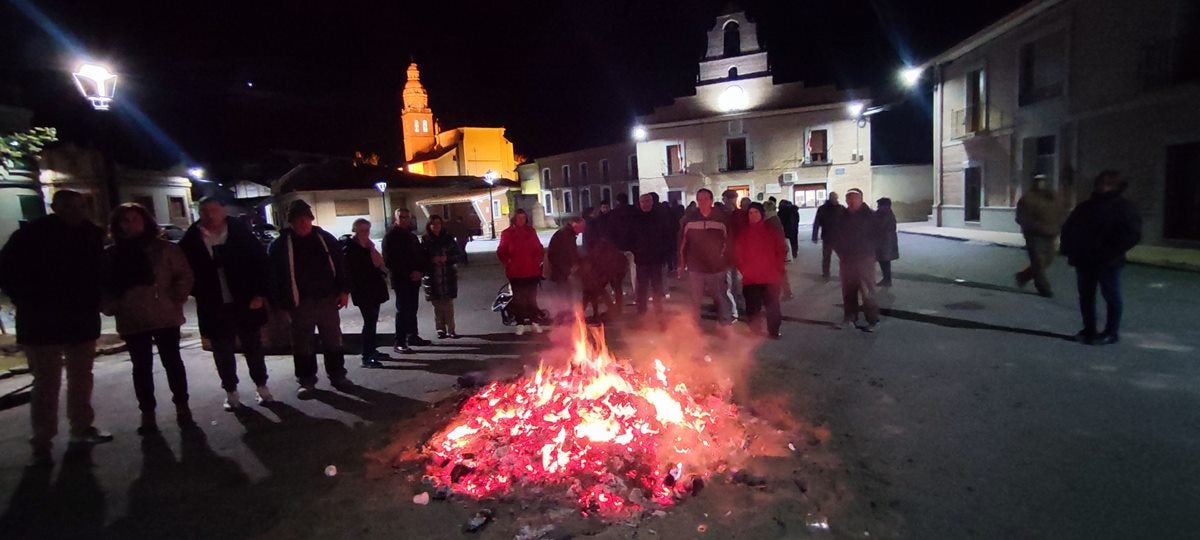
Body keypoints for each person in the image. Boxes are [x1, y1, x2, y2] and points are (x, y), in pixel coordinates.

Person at [0, 190, 112, 464]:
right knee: (47, 383)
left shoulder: (91, 234)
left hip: (80, 318)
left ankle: (81, 428)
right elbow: (6, 271)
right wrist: (25, 300)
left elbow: (100, 273)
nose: (75, 211)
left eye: (79, 206)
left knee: (81, 378)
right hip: (42, 321)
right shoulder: (30, 235)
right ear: (55, 207)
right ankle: (42, 439)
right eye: (68, 206)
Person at [102, 202, 195, 435]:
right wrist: (112, 305)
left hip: (164, 315)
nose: (130, 225)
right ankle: (147, 413)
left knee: (172, 362)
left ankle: (182, 406)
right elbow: (103, 286)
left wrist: (174, 297)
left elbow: (183, 275)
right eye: (125, 220)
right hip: (132, 318)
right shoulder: (112, 254)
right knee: (141, 367)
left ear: (145, 221)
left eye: (135, 219)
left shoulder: (163, 249)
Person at [180, 197, 273, 411]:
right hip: (214, 305)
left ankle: (262, 386)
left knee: (253, 348)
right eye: (204, 211)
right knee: (222, 352)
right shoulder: (192, 239)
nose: (209, 215)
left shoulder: (240, 233)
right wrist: (198, 289)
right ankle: (231, 391)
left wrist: (260, 294)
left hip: (245, 302)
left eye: (213, 210)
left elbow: (261, 264)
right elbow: (184, 272)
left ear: (223, 211)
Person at [268, 200, 352, 398]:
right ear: (291, 222)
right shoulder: (280, 246)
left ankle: (338, 374)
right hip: (299, 303)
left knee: (333, 339)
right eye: (298, 220)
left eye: (306, 219)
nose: (302, 224)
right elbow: (273, 277)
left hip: (326, 300)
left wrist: (344, 290)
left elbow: (341, 266)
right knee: (302, 343)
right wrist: (279, 304)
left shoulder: (325, 239)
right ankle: (306, 380)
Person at [1060, 171, 1142, 345]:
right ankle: (1089, 330)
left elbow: (1132, 234)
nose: (1102, 185)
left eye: (1108, 183)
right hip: (1084, 261)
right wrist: (1069, 250)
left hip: (1108, 262)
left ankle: (1111, 333)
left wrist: (1109, 252)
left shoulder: (1124, 208)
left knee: (1111, 296)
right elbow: (1069, 228)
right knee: (1086, 296)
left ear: (1116, 186)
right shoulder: (1085, 206)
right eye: (1100, 182)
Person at [679, 188, 734, 325]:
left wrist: (725, 260)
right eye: (700, 199)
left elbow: (729, 242)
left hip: (716, 268)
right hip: (695, 267)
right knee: (695, 299)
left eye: (706, 199)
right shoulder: (689, 219)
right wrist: (681, 263)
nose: (702, 202)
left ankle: (725, 324)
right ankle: (694, 327)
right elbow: (682, 243)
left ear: (711, 201)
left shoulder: (722, 219)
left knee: (720, 297)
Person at [342, 218, 389, 366]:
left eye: (367, 230)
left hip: (374, 288)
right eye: (362, 230)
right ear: (355, 230)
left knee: (372, 321)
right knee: (369, 322)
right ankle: (367, 355)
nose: (365, 233)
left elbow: (379, 262)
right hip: (363, 290)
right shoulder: (350, 248)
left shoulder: (368, 245)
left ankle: (372, 350)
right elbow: (358, 270)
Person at [736, 203, 787, 338]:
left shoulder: (771, 232)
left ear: (761, 214)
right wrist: (744, 269)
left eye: (756, 213)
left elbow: (781, 250)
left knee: (773, 306)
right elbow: (738, 253)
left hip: (770, 278)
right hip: (751, 279)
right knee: (753, 307)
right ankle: (755, 330)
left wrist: (778, 268)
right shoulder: (744, 233)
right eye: (750, 213)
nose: (753, 216)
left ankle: (774, 331)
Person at [383, 208, 431, 352]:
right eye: (401, 217)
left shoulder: (411, 236)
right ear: (396, 218)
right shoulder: (390, 236)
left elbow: (420, 256)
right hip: (402, 279)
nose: (404, 219)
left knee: (412, 308)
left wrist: (420, 271)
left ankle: (413, 335)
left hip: (414, 279)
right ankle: (400, 341)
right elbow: (390, 260)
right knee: (402, 310)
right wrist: (410, 272)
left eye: (407, 217)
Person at [833, 189, 880, 331]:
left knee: (867, 291)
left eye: (854, 199)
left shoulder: (870, 216)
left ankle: (872, 320)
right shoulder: (843, 216)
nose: (851, 202)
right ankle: (849, 317)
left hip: (864, 259)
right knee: (848, 291)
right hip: (846, 260)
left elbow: (878, 237)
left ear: (860, 199)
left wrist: (870, 253)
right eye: (849, 199)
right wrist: (840, 251)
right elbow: (836, 235)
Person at [497, 209, 546, 335]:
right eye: (519, 218)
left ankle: (534, 321)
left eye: (523, 218)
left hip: (531, 271)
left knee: (531, 298)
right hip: (516, 272)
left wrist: (537, 260)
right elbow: (502, 251)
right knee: (518, 298)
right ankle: (520, 323)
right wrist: (508, 262)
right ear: (514, 219)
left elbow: (538, 248)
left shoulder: (530, 232)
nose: (521, 220)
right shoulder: (507, 233)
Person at [1015, 175, 1064, 297]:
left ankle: (1023, 276)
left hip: (1051, 234)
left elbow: (1060, 212)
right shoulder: (1027, 199)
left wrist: (1059, 226)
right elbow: (1021, 217)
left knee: (1048, 260)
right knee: (1038, 262)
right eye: (1038, 181)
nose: (1041, 184)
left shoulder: (1052, 197)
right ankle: (1043, 287)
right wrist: (1033, 226)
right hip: (1034, 236)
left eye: (1043, 181)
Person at [421, 215, 462, 338]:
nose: (436, 226)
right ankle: (440, 329)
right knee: (437, 304)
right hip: (433, 276)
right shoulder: (425, 240)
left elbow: (457, 254)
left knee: (448, 304)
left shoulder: (448, 238)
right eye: (433, 224)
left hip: (447, 274)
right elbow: (422, 257)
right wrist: (432, 259)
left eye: (438, 223)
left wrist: (447, 258)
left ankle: (451, 329)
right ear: (429, 226)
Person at [632, 193, 671, 317]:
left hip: (656, 258)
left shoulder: (659, 217)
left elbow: (666, 236)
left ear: (652, 202)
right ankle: (641, 311)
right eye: (643, 202)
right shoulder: (636, 218)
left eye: (647, 201)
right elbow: (630, 236)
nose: (645, 204)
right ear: (640, 203)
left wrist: (665, 253)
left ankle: (658, 311)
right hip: (642, 259)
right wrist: (635, 250)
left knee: (657, 286)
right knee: (641, 287)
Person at [547, 217, 585, 323]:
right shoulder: (566, 236)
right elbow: (566, 254)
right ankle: (564, 318)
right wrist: (568, 269)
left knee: (566, 294)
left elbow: (572, 253)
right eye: (582, 227)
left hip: (562, 270)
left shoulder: (567, 234)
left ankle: (566, 316)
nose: (583, 230)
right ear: (575, 225)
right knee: (564, 294)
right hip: (562, 271)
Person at [813, 192, 845, 279]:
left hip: (839, 237)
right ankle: (826, 273)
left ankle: (843, 273)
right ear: (830, 198)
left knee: (843, 257)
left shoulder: (841, 208)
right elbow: (817, 222)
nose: (835, 200)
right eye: (834, 198)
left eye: (836, 198)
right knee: (827, 257)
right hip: (828, 237)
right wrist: (814, 236)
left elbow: (847, 222)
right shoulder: (823, 209)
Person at [875, 198, 899, 287]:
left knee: (884, 261)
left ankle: (887, 280)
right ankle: (886, 279)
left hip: (884, 241)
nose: (877, 207)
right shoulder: (888, 212)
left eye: (878, 205)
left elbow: (880, 225)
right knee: (884, 261)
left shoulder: (884, 214)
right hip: (887, 240)